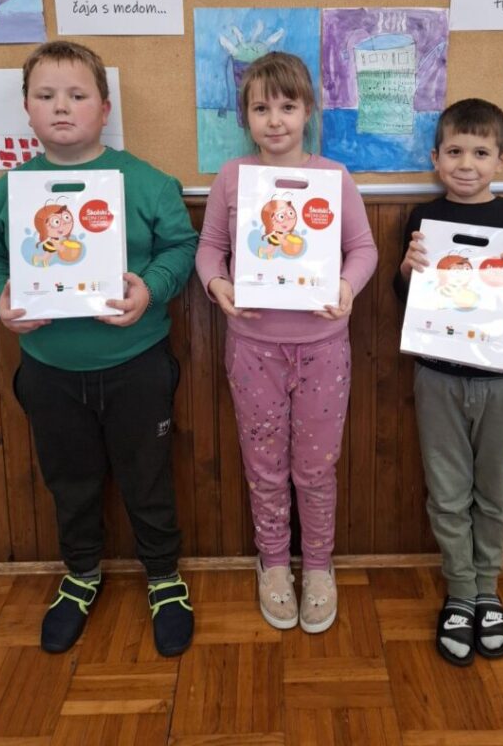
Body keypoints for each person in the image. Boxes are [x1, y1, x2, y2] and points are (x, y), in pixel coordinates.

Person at [0, 40, 198, 657]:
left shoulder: (147, 182)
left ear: (104, 109)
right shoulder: (8, 191)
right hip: (49, 371)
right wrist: (0, 296)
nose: (61, 107)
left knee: (147, 476)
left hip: (137, 366)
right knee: (69, 479)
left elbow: (181, 248)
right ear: (26, 109)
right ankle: (80, 573)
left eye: (77, 95)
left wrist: (150, 289)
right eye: (46, 95)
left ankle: (164, 576)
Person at [196, 51, 377, 633]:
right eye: (260, 108)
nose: (275, 120)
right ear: (245, 117)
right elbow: (210, 247)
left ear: (308, 111)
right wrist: (218, 284)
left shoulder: (333, 178)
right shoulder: (233, 177)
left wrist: (347, 287)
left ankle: (318, 566)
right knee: (264, 465)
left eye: (287, 106)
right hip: (253, 348)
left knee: (316, 468)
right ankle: (274, 563)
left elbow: (363, 248)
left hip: (323, 347)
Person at [393, 98, 503, 666]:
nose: (467, 164)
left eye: (481, 153)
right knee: (447, 492)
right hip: (438, 373)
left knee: (494, 491)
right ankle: (460, 592)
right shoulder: (424, 219)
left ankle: (488, 588)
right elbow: (405, 297)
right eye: (455, 151)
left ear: (502, 160)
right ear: (435, 158)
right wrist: (407, 268)